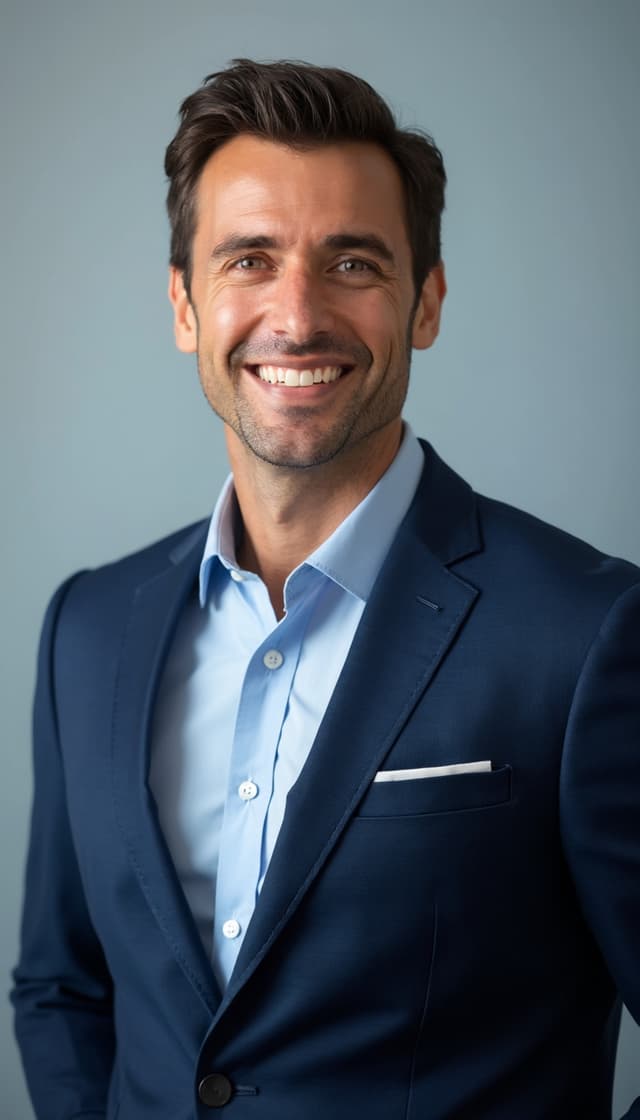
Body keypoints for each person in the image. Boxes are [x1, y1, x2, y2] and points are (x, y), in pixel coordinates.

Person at [11, 58, 640, 1120]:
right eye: (248, 259)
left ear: (426, 302)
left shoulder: (586, 635)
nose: (295, 316)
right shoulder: (88, 628)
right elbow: (63, 986)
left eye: (351, 261)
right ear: (183, 304)